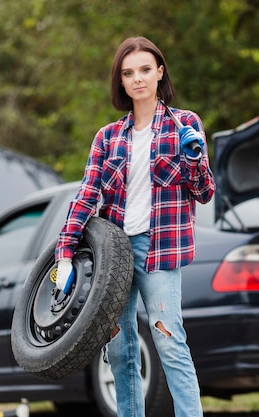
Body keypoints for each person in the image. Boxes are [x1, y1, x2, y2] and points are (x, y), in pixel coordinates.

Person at [54, 36, 215, 417]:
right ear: (121, 83)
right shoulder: (107, 138)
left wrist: (195, 159)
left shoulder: (185, 125)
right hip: (114, 255)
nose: (138, 79)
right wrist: (64, 251)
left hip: (160, 249)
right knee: (120, 349)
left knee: (169, 341)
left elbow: (205, 192)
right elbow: (87, 195)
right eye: (129, 73)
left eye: (145, 70)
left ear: (160, 73)